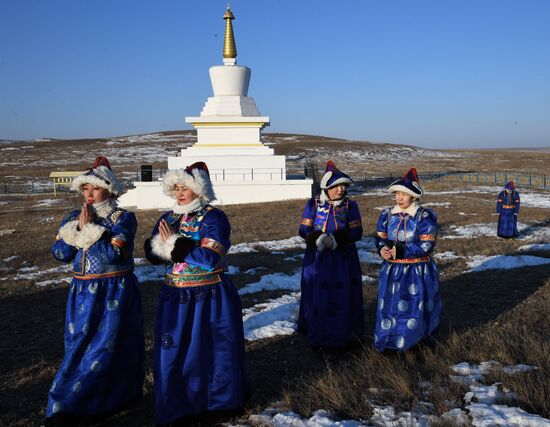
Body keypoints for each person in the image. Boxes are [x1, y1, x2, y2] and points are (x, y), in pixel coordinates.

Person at [144, 162, 249, 426]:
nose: (180, 193)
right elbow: (156, 253)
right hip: (175, 295)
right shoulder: (168, 217)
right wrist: (159, 247)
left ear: (199, 189)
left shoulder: (214, 217)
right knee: (176, 350)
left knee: (213, 348)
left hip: (209, 295)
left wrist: (175, 244)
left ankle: (218, 402)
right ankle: (178, 402)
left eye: (186, 188)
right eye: (176, 187)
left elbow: (211, 257)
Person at [46, 157, 144, 425]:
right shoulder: (72, 217)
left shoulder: (122, 219)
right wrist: (77, 227)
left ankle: (108, 398)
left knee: (110, 346)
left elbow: (114, 253)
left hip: (114, 290)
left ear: (109, 189)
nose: (89, 194)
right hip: (81, 292)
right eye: (85, 189)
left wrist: (90, 229)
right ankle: (72, 401)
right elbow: (60, 253)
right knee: (79, 344)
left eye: (95, 188)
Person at [374, 168, 441, 352]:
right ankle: (390, 341)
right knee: (390, 305)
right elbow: (380, 237)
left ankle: (415, 342)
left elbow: (427, 244)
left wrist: (402, 251)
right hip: (391, 270)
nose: (400, 197)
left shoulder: (425, 216)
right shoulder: (387, 215)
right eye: (397, 193)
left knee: (414, 307)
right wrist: (383, 249)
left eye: (405, 194)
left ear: (414, 196)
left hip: (416, 270)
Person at [298, 160, 364, 347]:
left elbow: (356, 232)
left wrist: (336, 241)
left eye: (343, 186)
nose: (340, 190)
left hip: (343, 259)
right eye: (336, 186)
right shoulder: (313, 204)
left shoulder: (351, 206)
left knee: (342, 297)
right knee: (318, 296)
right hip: (318, 259)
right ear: (326, 187)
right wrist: (319, 239)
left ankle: (343, 337)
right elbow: (303, 229)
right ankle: (319, 336)